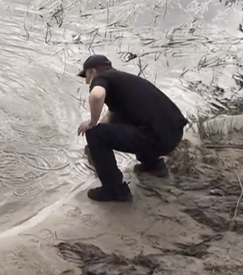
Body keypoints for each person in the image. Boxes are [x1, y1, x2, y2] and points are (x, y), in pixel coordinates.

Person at [76, 54, 188, 202]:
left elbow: (96, 96)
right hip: (173, 134)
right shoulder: (124, 80)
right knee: (120, 124)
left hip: (158, 140)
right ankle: (153, 166)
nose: (87, 81)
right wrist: (96, 145)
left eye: (87, 76)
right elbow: (112, 115)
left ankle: (114, 190)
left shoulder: (101, 78)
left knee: (94, 134)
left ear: (93, 72)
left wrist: (92, 124)